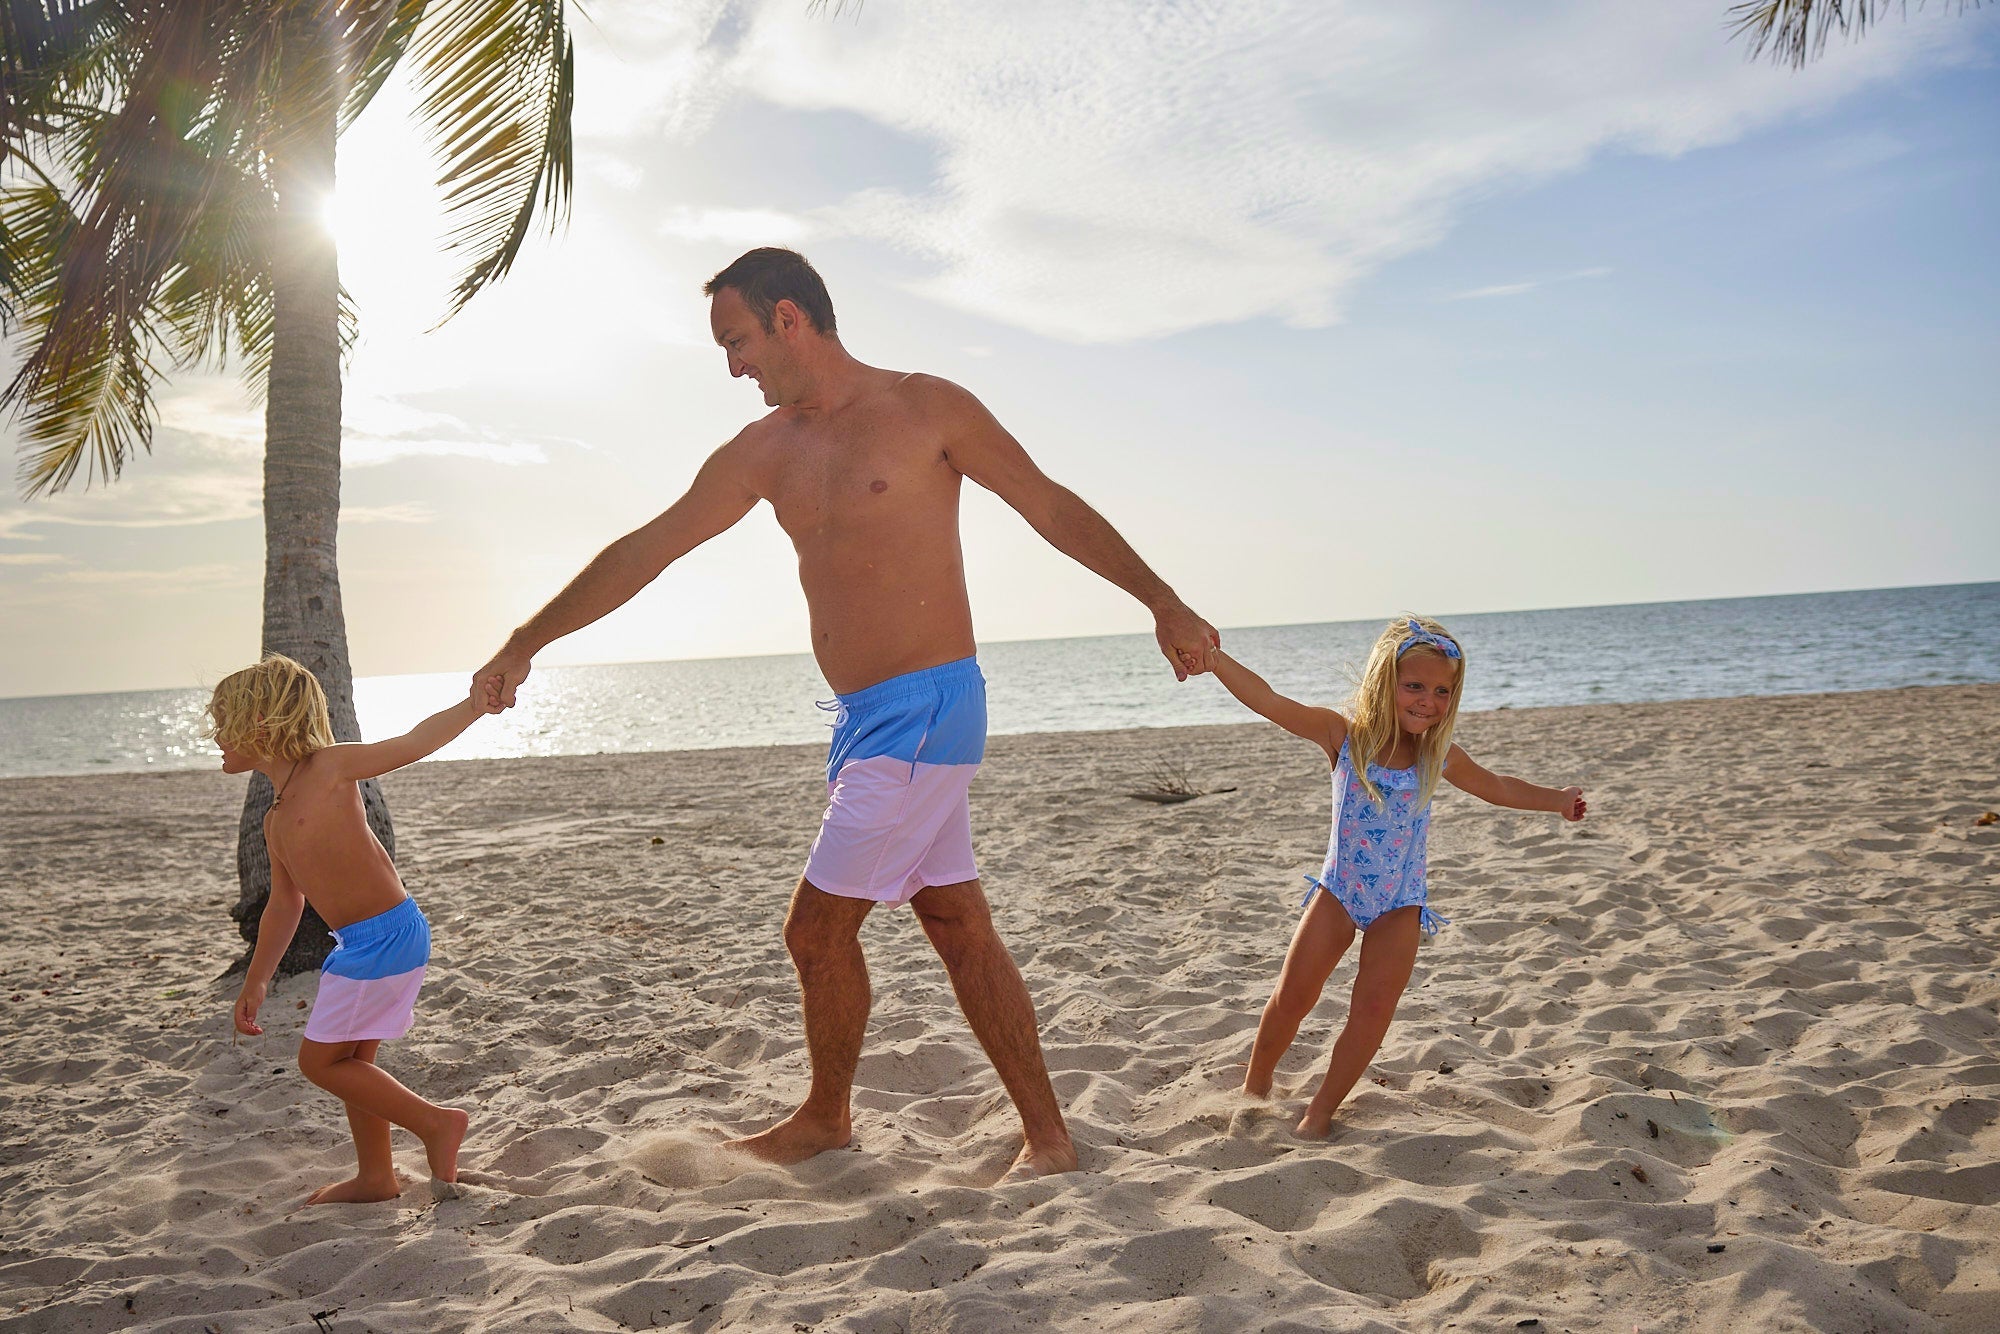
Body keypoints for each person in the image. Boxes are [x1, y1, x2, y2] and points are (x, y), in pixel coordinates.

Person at [472, 247, 1217, 1177]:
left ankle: (827, 1118)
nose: (734, 366)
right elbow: (646, 550)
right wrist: (525, 639)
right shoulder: (764, 451)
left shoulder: (924, 408)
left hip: (931, 707)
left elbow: (1048, 506)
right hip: (866, 718)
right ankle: (1049, 1137)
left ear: (790, 318)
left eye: (738, 340)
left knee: (815, 930)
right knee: (955, 923)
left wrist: (1163, 601)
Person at [1205, 617, 1586, 1137]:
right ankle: (1256, 1086)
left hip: (1400, 902)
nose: (1427, 700)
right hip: (1339, 891)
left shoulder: (1437, 755)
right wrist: (1215, 660)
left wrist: (1556, 801)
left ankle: (1321, 1112)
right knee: (1293, 997)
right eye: (1414, 685)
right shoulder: (1343, 736)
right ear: (1385, 681)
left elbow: (1497, 786)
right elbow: (1272, 702)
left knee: (1374, 1009)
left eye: (1441, 690)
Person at [213, 654, 485, 1203]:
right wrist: (258, 979)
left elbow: (414, 743)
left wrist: (474, 705)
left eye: (224, 723)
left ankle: (435, 1123)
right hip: (363, 943)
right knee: (354, 1063)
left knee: (320, 1062)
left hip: (386, 934)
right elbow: (285, 905)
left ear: (259, 727)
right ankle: (377, 1178)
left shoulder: (330, 769)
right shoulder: (276, 818)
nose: (216, 736)